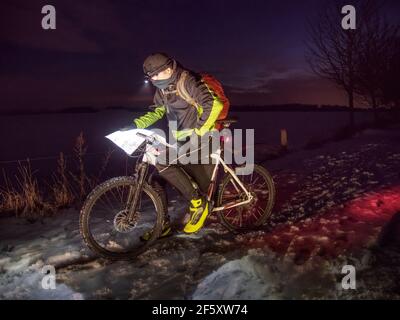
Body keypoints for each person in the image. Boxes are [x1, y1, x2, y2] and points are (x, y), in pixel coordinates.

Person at [123, 53, 225, 238]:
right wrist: (136, 125)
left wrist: (199, 131)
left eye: (155, 75)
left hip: (201, 138)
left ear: (168, 70)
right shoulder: (163, 88)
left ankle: (198, 202)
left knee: (163, 162)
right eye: (150, 77)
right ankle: (163, 224)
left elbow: (213, 104)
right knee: (155, 180)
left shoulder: (187, 81)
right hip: (181, 140)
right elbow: (157, 111)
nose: (153, 80)